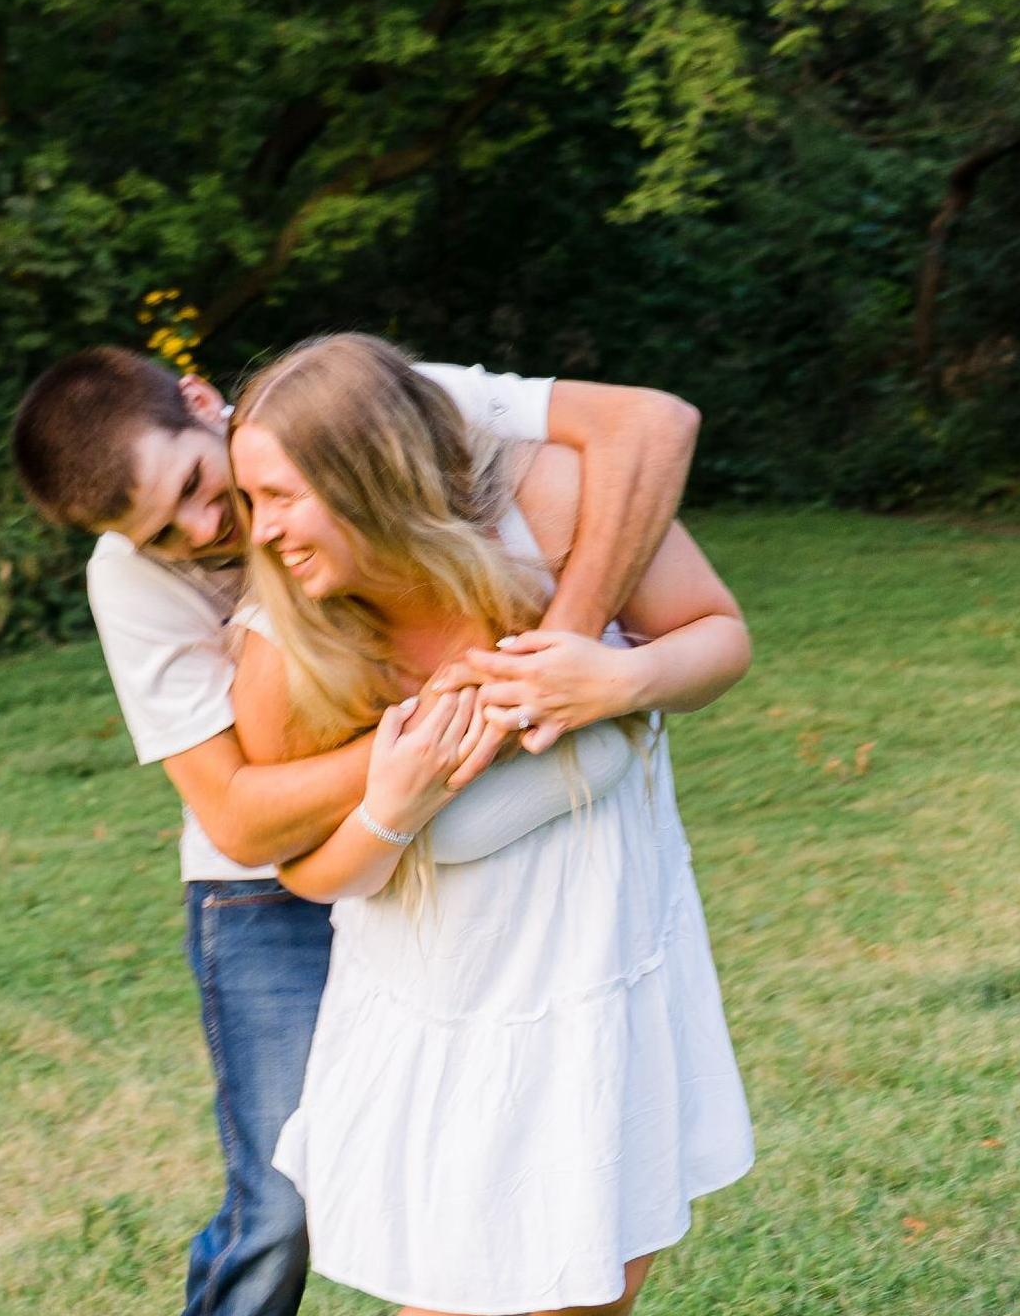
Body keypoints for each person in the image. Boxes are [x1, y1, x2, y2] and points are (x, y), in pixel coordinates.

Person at [11, 343, 703, 1316]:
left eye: (203, 489)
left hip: (463, 855)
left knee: (514, 1170)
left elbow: (653, 423)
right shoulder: (130, 586)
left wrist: (564, 649)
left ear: (207, 405)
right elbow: (239, 817)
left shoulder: (358, 412)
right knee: (286, 1204)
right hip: (259, 882)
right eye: (162, 532)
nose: (207, 531)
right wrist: (428, 735)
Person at [228, 334, 754, 1316]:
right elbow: (304, 875)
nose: (262, 533)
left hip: (604, 987)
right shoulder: (296, 644)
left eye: (282, 496)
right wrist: (392, 804)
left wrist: (619, 675)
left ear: (370, 479)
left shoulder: (552, 511)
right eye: (251, 499)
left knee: (598, 1295)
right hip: (456, 1032)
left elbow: (720, 637)